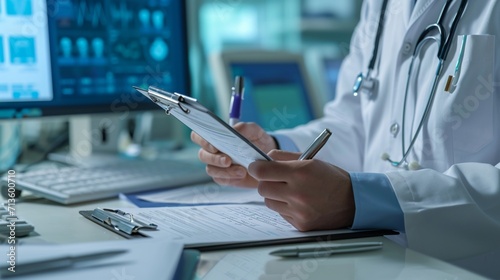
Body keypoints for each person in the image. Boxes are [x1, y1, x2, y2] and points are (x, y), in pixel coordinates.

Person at [192, 0, 500, 278]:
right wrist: (270, 150)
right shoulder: (380, 5)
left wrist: (363, 200)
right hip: (373, 259)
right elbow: (353, 123)